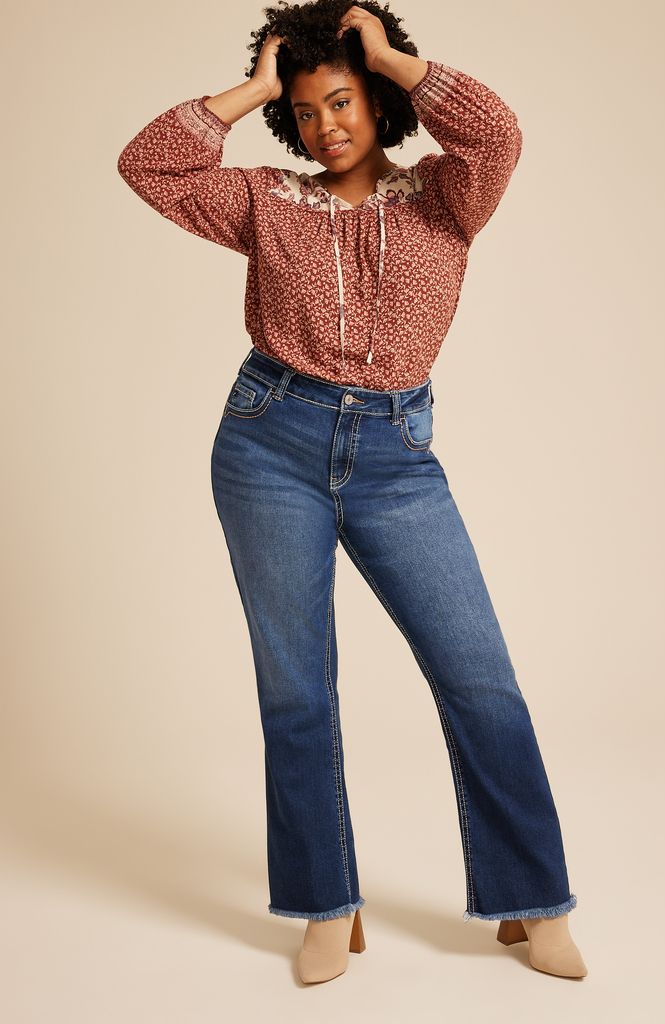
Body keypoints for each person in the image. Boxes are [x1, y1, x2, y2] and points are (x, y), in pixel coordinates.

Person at [117, 0, 588, 985]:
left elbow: (497, 130)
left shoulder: (448, 196)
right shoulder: (264, 201)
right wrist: (254, 87)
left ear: (375, 99)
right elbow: (149, 165)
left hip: (396, 461)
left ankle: (531, 899)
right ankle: (325, 905)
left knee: (478, 677)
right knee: (296, 689)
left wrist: (388, 53)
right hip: (267, 446)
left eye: (341, 99)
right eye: (305, 109)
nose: (326, 123)